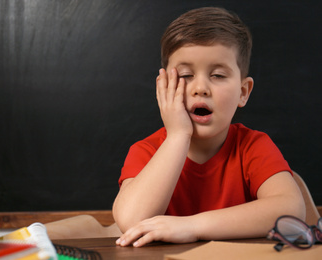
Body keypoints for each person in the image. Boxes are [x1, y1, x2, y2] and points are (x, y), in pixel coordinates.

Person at [112, 6, 305, 247]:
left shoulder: (252, 146)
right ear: (164, 88)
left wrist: (191, 226)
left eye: (218, 75)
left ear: (243, 92)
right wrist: (178, 135)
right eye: (185, 75)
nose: (200, 88)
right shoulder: (146, 151)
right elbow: (131, 220)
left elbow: (291, 210)